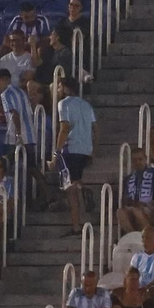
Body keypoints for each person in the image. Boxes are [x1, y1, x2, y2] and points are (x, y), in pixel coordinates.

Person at [56, 77, 96, 235]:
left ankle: (76, 226)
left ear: (66, 88)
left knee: (70, 189)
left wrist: (57, 151)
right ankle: (82, 188)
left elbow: (64, 127)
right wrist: (93, 150)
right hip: (85, 148)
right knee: (75, 180)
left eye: (59, 87)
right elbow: (96, 128)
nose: (58, 90)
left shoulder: (63, 104)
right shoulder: (86, 105)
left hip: (70, 148)